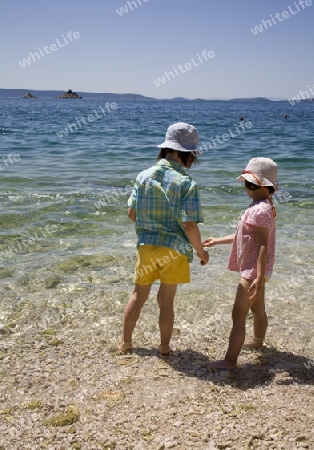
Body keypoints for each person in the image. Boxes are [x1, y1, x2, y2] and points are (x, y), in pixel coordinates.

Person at [119, 122, 209, 355]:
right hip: (175, 250)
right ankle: (164, 347)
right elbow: (189, 225)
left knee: (138, 296)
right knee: (166, 302)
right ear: (186, 153)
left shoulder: (143, 176)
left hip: (146, 246)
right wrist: (201, 252)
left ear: (166, 148)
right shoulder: (187, 183)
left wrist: (151, 225)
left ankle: (126, 344)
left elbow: (131, 214)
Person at [203, 157, 278, 370]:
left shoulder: (259, 210)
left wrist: (256, 277)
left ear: (250, 184)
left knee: (238, 315)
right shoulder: (264, 206)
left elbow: (262, 245)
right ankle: (258, 342)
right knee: (258, 310)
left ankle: (230, 361)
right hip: (258, 272)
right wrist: (218, 241)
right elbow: (243, 235)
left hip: (253, 272)